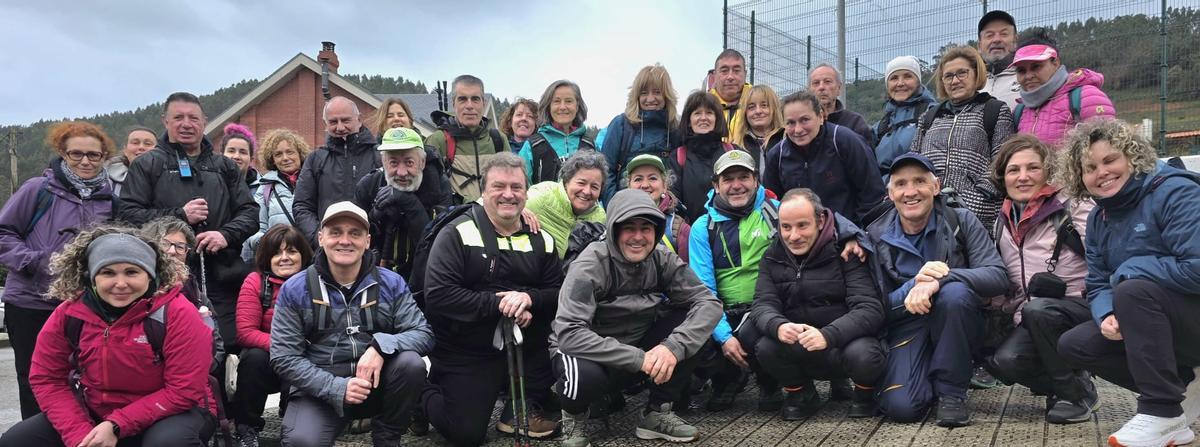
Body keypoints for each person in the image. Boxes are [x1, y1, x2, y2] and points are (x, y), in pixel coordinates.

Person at [1054, 119, 1200, 447]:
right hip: (1153, 314)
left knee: (1132, 290)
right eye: (1089, 167)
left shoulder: (1176, 192)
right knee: (1074, 344)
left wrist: (1132, 271)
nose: (1101, 172)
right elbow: (1098, 280)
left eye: (1110, 160)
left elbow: (1197, 268)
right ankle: (1184, 385)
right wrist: (1106, 312)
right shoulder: (1097, 217)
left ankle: (1161, 412)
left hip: (1191, 313)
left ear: (1133, 157)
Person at [0, 226, 215, 447]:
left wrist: (116, 425)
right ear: (91, 276)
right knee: (16, 440)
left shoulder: (177, 312)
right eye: (108, 273)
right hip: (95, 411)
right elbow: (47, 378)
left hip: (172, 411)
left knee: (168, 443)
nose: (120, 284)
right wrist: (80, 435)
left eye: (132, 272)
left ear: (151, 275)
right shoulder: (70, 313)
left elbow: (183, 390)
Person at [552, 188, 723, 446]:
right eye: (629, 228)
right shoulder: (589, 265)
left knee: (695, 324)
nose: (638, 237)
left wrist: (671, 348)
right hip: (591, 354)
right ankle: (574, 416)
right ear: (614, 230)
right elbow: (569, 333)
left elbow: (708, 303)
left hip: (641, 348)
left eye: (646, 228)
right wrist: (639, 359)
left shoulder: (661, 257)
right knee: (581, 376)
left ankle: (656, 413)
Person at [420, 153, 564, 445]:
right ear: (482, 191)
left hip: (524, 346)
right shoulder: (456, 233)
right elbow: (438, 295)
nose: (508, 195)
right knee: (466, 435)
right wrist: (500, 305)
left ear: (527, 192)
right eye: (499, 186)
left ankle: (518, 411)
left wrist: (527, 300)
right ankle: (418, 392)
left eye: (516, 187)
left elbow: (558, 293)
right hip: (466, 348)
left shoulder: (542, 239)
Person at [270, 201, 432, 447]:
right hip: (320, 386)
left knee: (411, 364)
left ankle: (388, 437)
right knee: (301, 442)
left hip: (377, 381)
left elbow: (423, 334)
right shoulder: (295, 289)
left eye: (354, 233)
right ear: (321, 238)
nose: (345, 240)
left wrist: (381, 346)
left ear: (367, 241)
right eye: (336, 232)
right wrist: (335, 387)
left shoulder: (392, 283)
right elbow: (283, 357)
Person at [869, 153, 1007, 427]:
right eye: (901, 184)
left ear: (935, 186)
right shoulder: (874, 234)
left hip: (958, 320)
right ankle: (930, 373)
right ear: (890, 193)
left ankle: (951, 393)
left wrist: (939, 281)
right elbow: (874, 308)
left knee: (954, 295)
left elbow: (997, 276)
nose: (911, 192)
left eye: (920, 181)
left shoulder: (961, 220)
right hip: (908, 327)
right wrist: (913, 287)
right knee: (902, 408)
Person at [119, 91, 259, 358]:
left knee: (227, 350)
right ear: (165, 121)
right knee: (171, 350)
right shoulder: (147, 165)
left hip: (222, 277)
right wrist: (180, 215)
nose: (186, 124)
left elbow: (250, 213)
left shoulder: (224, 167)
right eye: (178, 117)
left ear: (204, 122)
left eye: (193, 118)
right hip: (164, 279)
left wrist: (225, 234)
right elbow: (127, 215)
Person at [0, 121, 116, 420]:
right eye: (76, 154)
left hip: (83, 305)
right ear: (62, 154)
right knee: (34, 378)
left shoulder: (109, 200)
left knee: (85, 377)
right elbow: (4, 232)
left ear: (104, 156)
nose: (85, 161)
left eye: (94, 155)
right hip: (31, 301)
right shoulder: (38, 189)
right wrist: (35, 261)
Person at [980, 135, 1098, 424]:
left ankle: (1075, 395)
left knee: (1039, 310)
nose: (1023, 177)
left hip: (1080, 313)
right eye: (1013, 170)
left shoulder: (1074, 209)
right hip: (1031, 315)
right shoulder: (1002, 221)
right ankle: (1068, 379)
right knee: (1004, 362)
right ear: (1002, 177)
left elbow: (1104, 259)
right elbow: (1007, 282)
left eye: (1032, 168)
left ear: (1048, 171)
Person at [752, 189, 884, 420]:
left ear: (820, 221)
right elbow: (762, 304)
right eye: (786, 227)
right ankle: (800, 392)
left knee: (865, 354)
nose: (793, 236)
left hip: (842, 344)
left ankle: (865, 394)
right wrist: (778, 326)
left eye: (802, 225)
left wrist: (828, 335)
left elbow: (869, 309)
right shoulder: (772, 256)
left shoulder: (846, 252)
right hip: (799, 343)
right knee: (765, 345)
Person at [688, 150, 783, 412]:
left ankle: (770, 380)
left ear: (756, 180)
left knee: (761, 335)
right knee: (697, 340)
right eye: (728, 179)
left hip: (767, 309)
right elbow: (703, 291)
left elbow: (820, 219)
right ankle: (727, 378)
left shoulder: (777, 213)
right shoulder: (702, 227)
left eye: (744, 176)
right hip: (723, 312)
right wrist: (724, 336)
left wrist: (851, 237)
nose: (737, 185)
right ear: (716, 186)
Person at [910, 45, 1014, 231]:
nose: (955, 81)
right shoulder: (930, 116)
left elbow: (1002, 162)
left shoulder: (995, 110)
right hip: (929, 213)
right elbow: (914, 160)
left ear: (976, 74)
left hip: (977, 215)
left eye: (962, 73)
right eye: (948, 76)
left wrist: (971, 202)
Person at [233, 225, 313, 445]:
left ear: (303, 255)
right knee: (253, 358)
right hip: (269, 355)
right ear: (267, 257)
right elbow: (246, 333)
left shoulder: (316, 282)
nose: (284, 258)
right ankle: (247, 427)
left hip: (306, 354)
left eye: (292, 251)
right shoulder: (255, 282)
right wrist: (286, 348)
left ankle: (294, 424)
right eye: (277, 253)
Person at [763, 91, 886, 226]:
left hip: (847, 237)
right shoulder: (777, 156)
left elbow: (872, 195)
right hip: (799, 238)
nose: (798, 129)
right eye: (791, 123)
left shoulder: (845, 142)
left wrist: (858, 235)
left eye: (805, 120)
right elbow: (772, 205)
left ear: (820, 117)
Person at [353, 127, 451, 277]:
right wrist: (375, 215)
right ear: (384, 163)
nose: (402, 172)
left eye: (409, 162)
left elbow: (436, 244)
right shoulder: (369, 185)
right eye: (393, 163)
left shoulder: (438, 185)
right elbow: (355, 237)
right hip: (377, 273)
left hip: (425, 275)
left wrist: (407, 201)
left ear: (422, 162)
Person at [292, 96, 381, 245]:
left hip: (370, 249)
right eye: (333, 122)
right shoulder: (315, 160)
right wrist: (318, 238)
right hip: (326, 249)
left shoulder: (379, 156)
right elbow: (302, 206)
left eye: (345, 120)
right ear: (326, 124)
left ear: (359, 119)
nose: (340, 127)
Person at [1010, 29, 1116, 146]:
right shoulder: (1019, 112)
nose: (1028, 76)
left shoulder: (1086, 98)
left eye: (1036, 67)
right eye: (1021, 70)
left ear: (1055, 62)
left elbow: (1108, 152)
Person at [600, 64, 682, 203]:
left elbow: (681, 174)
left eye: (657, 92)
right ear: (637, 96)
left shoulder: (676, 127)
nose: (650, 99)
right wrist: (615, 208)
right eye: (644, 93)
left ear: (666, 95)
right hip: (626, 209)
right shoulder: (621, 125)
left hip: (666, 209)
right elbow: (606, 172)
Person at [425, 74, 510, 204]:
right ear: (454, 104)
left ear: (483, 103)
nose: (469, 106)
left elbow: (512, 181)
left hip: (494, 218)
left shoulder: (498, 139)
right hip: (455, 219)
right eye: (462, 99)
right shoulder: (438, 141)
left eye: (475, 99)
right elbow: (430, 191)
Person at [668, 91, 742, 223]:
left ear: (717, 119)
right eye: (697, 113)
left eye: (709, 113)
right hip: (692, 234)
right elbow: (674, 202)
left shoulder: (733, 152)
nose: (703, 118)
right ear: (689, 121)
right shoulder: (678, 157)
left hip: (732, 230)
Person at [242, 128, 312, 261]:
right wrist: (272, 245)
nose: (285, 158)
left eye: (290, 152)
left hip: (312, 258)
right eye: (278, 154)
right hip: (281, 259)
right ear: (272, 159)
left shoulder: (315, 181)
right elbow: (256, 229)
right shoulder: (264, 187)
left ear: (300, 154)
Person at [521, 150, 607, 259]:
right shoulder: (542, 197)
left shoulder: (600, 218)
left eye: (594, 187)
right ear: (566, 181)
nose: (586, 191)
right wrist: (520, 209)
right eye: (581, 183)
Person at [518, 80, 596, 185]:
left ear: (577, 106)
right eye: (556, 101)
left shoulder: (590, 145)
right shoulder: (532, 146)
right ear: (548, 106)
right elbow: (520, 186)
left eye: (568, 101)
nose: (563, 107)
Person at [874, 56, 937, 180]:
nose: (900, 83)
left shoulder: (933, 114)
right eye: (894, 78)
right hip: (885, 193)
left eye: (908, 76)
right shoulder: (881, 126)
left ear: (918, 81)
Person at [621, 154, 691, 259]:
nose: (645, 185)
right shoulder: (616, 221)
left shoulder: (680, 229)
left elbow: (684, 273)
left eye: (652, 178)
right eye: (638, 179)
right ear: (629, 186)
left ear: (664, 186)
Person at [808, 63, 874, 146]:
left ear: (839, 88)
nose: (821, 87)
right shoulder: (801, 124)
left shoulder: (854, 122)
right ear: (809, 90)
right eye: (816, 83)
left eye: (827, 81)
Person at [734, 84, 785, 174]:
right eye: (751, 107)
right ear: (745, 113)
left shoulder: (786, 141)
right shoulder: (737, 147)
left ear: (774, 109)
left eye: (764, 105)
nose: (758, 111)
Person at [978, 10, 1021, 109]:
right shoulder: (970, 83)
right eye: (989, 35)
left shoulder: (1029, 78)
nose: (996, 39)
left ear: (1015, 41)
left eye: (1004, 34)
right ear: (979, 46)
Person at [709, 49, 751, 142]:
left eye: (736, 71)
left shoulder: (761, 105)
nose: (730, 77)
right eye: (724, 71)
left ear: (745, 74)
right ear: (715, 75)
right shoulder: (703, 106)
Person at [106, 125, 157, 198]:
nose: (141, 147)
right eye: (135, 143)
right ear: (125, 150)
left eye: (148, 144)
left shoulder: (169, 178)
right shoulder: (107, 182)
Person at [221, 123, 259, 188]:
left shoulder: (265, 190)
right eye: (231, 151)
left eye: (243, 152)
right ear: (221, 155)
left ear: (251, 159)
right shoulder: (210, 184)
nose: (237, 156)